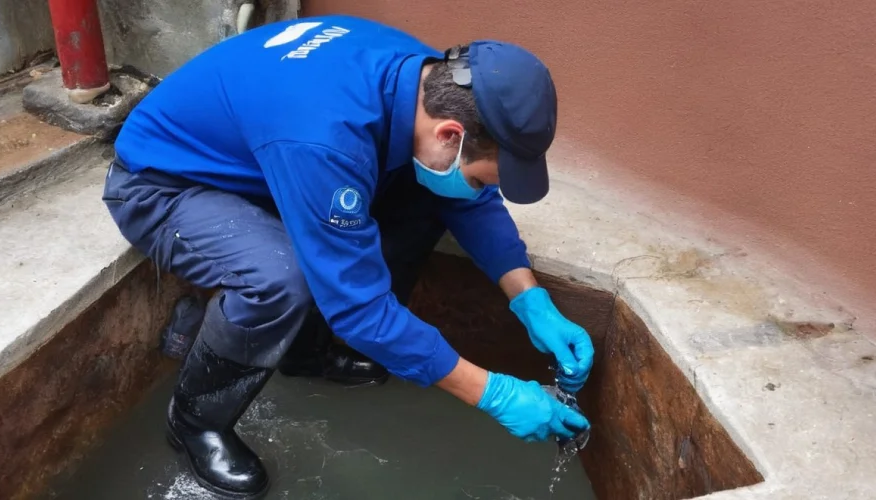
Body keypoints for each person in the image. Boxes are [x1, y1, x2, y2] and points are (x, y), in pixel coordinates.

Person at [103, 14, 594, 499]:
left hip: (266, 162)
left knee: (438, 193)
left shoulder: (422, 79)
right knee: (279, 278)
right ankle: (193, 423)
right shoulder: (324, 138)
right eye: (490, 175)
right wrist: (492, 393)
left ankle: (305, 352)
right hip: (164, 185)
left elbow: (469, 198)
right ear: (450, 134)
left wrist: (530, 300)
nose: (489, 188)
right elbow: (359, 309)